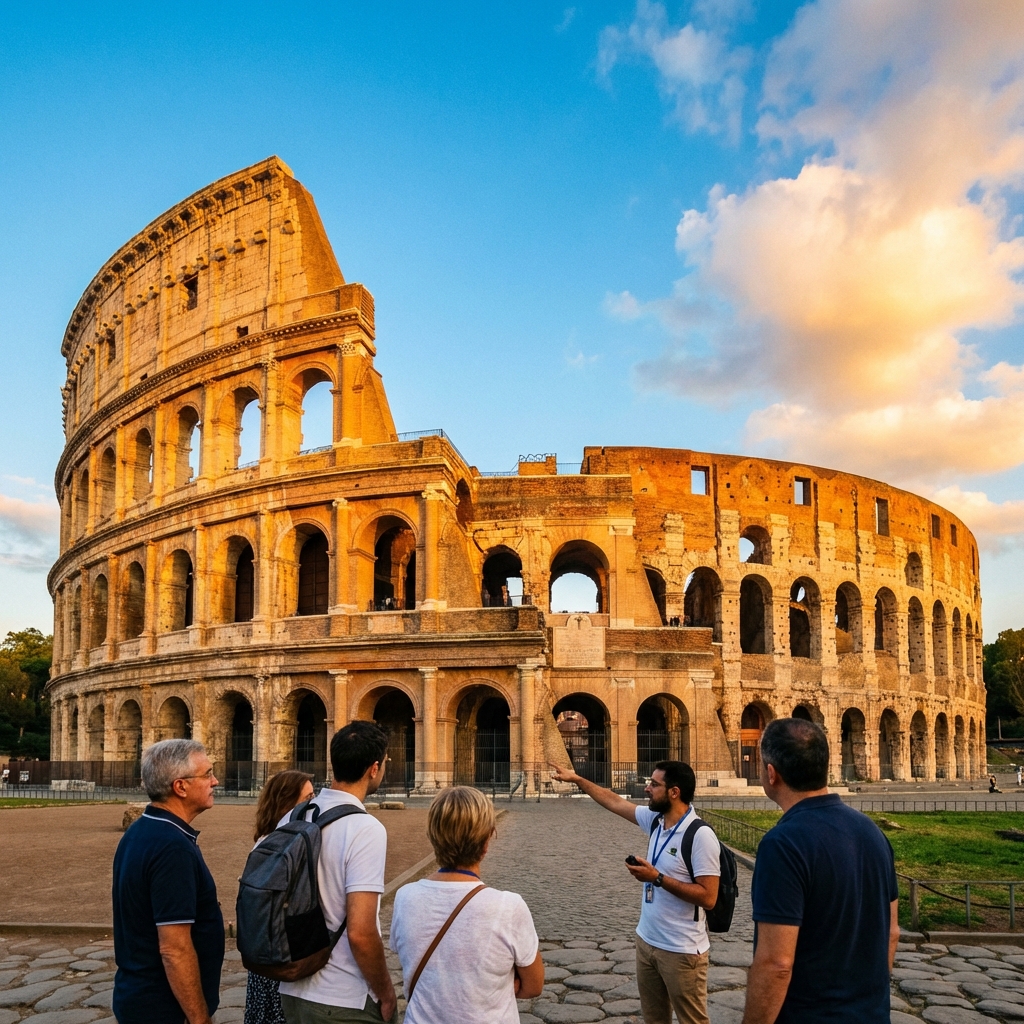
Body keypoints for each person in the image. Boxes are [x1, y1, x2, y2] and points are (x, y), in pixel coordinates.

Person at [742, 718, 899, 1024]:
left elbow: (776, 963)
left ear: (771, 774)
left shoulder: (782, 844)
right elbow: (892, 933)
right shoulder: (872, 832)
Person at [550, 760, 720, 1024]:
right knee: (654, 1020)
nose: (647, 788)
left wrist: (657, 878)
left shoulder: (700, 836)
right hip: (647, 942)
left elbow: (709, 897)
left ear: (674, 792)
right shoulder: (655, 821)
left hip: (682, 950)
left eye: (654, 784)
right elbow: (613, 801)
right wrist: (577, 780)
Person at [389, 786, 544, 1024]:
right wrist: (491, 989)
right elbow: (533, 985)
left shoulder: (404, 897)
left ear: (432, 836)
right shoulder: (508, 906)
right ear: (487, 841)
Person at [278, 721, 397, 1024]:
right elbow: (360, 932)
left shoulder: (293, 817)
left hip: (292, 986)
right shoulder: (365, 828)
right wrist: (386, 992)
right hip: (342, 997)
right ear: (374, 768)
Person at [112, 739, 224, 1024]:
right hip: (165, 1007)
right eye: (207, 774)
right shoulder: (171, 847)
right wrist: (199, 1018)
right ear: (180, 787)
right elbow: (174, 948)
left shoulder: (141, 831)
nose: (215, 780)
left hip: (141, 995)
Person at [244, 770, 316, 1024]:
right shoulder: (285, 844)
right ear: (288, 803)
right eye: (308, 797)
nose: (314, 802)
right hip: (279, 953)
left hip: (264, 954)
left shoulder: (266, 839)